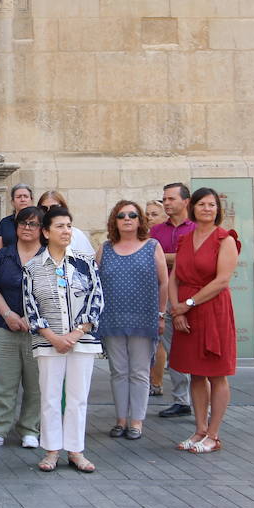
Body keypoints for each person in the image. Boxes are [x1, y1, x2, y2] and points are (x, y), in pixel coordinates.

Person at [24, 205, 103, 473]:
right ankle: (51, 450)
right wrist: (52, 337)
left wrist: (76, 333)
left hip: (82, 340)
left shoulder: (85, 261)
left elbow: (96, 300)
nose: (66, 231)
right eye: (60, 226)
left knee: (78, 397)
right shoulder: (32, 267)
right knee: (50, 396)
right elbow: (30, 307)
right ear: (46, 232)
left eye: (69, 225)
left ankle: (76, 451)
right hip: (48, 343)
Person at [168, 187, 240, 454]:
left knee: (216, 373)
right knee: (195, 373)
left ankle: (214, 434)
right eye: (202, 204)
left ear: (217, 210)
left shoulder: (225, 239)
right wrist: (176, 309)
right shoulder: (185, 239)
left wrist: (187, 305)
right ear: (193, 207)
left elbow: (222, 281)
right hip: (186, 309)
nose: (207, 209)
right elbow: (175, 276)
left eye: (212, 205)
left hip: (212, 309)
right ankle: (199, 430)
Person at [96, 200, 169, 440]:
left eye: (132, 215)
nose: (127, 219)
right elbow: (94, 284)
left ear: (140, 220)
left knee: (139, 371)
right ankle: (120, 420)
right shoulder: (105, 248)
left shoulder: (152, 246)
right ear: (114, 221)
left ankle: (136, 421)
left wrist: (160, 313)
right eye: (121, 215)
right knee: (118, 371)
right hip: (113, 318)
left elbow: (164, 282)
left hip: (143, 317)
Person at [0, 205, 43, 450]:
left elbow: (53, 294)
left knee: (35, 383)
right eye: (23, 223)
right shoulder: (4, 255)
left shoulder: (49, 257)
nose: (27, 228)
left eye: (33, 224)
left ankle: (29, 429)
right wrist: (8, 314)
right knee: (4, 381)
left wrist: (33, 319)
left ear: (41, 229)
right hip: (6, 327)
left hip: (38, 331)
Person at [151, 182, 196, 418]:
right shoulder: (157, 231)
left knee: (195, 349)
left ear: (186, 202)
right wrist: (178, 258)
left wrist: (165, 258)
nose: (166, 203)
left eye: (171, 199)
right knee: (173, 349)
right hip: (165, 297)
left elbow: (194, 260)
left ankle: (201, 400)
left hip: (193, 297)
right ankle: (182, 400)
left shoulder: (196, 229)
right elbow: (148, 257)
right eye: (164, 199)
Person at [144, 198, 168, 394]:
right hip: (148, 291)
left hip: (166, 291)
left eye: (154, 214)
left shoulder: (159, 239)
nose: (149, 218)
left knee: (160, 341)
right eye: (147, 214)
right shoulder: (145, 237)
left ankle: (157, 381)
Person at [36, 190, 94, 256]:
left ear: (63, 207)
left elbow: (89, 261)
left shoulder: (77, 235)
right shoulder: (34, 234)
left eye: (54, 207)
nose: (49, 212)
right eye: (44, 208)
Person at [0, 183, 34, 252]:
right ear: (12, 202)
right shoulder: (4, 222)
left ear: (31, 200)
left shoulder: (39, 221)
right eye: (18, 197)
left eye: (26, 196)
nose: (22, 199)